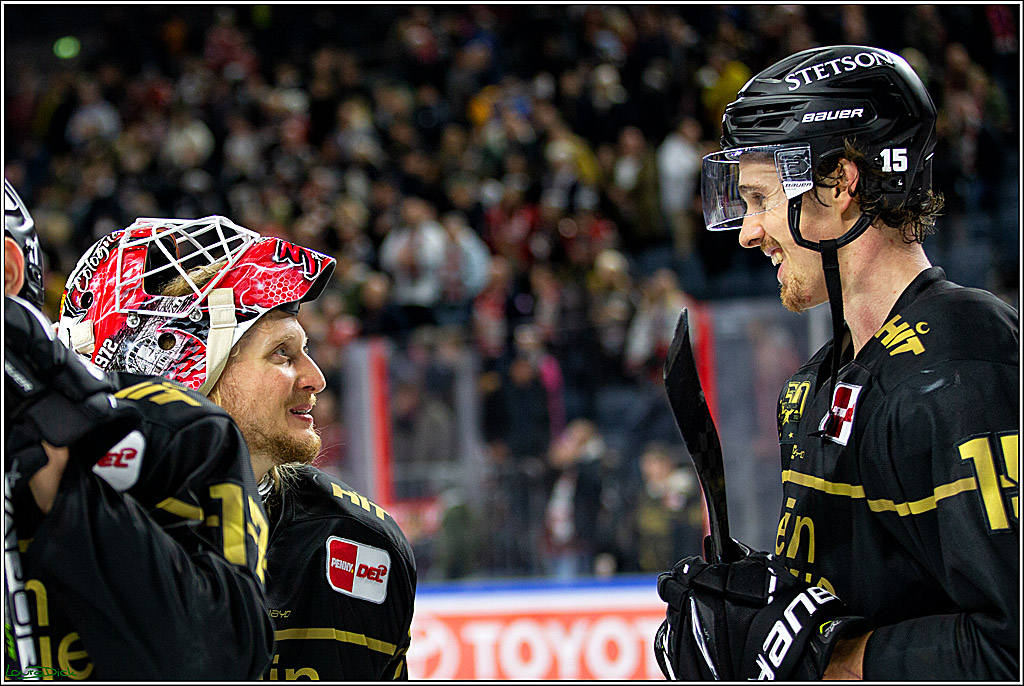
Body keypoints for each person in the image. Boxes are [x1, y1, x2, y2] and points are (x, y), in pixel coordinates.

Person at [654, 45, 1018, 681]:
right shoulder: (813, 390)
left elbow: (1011, 648)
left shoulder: (963, 365)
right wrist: (750, 617)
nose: (748, 231)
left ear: (840, 184)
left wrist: (826, 657)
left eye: (762, 199)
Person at [56, 214, 417, 680]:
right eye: (282, 354)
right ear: (185, 368)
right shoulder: (46, 535)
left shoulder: (366, 545)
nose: (316, 379)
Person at [4, 179, 274, 679]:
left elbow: (220, 663)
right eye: (281, 353)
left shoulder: (185, 438)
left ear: (8, 271)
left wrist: (60, 480)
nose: (314, 378)